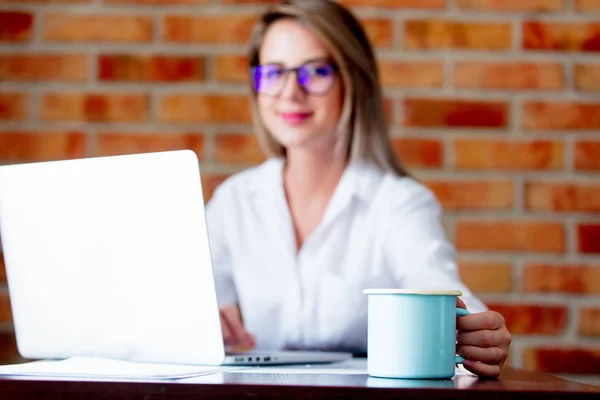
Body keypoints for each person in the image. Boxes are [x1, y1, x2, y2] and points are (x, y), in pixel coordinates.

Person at [205, 0, 511, 379]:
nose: (289, 92)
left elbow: (439, 286)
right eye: (273, 73)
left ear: (353, 80)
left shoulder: (398, 203)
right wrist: (204, 325)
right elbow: (193, 311)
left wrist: (477, 332)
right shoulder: (233, 202)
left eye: (315, 71)